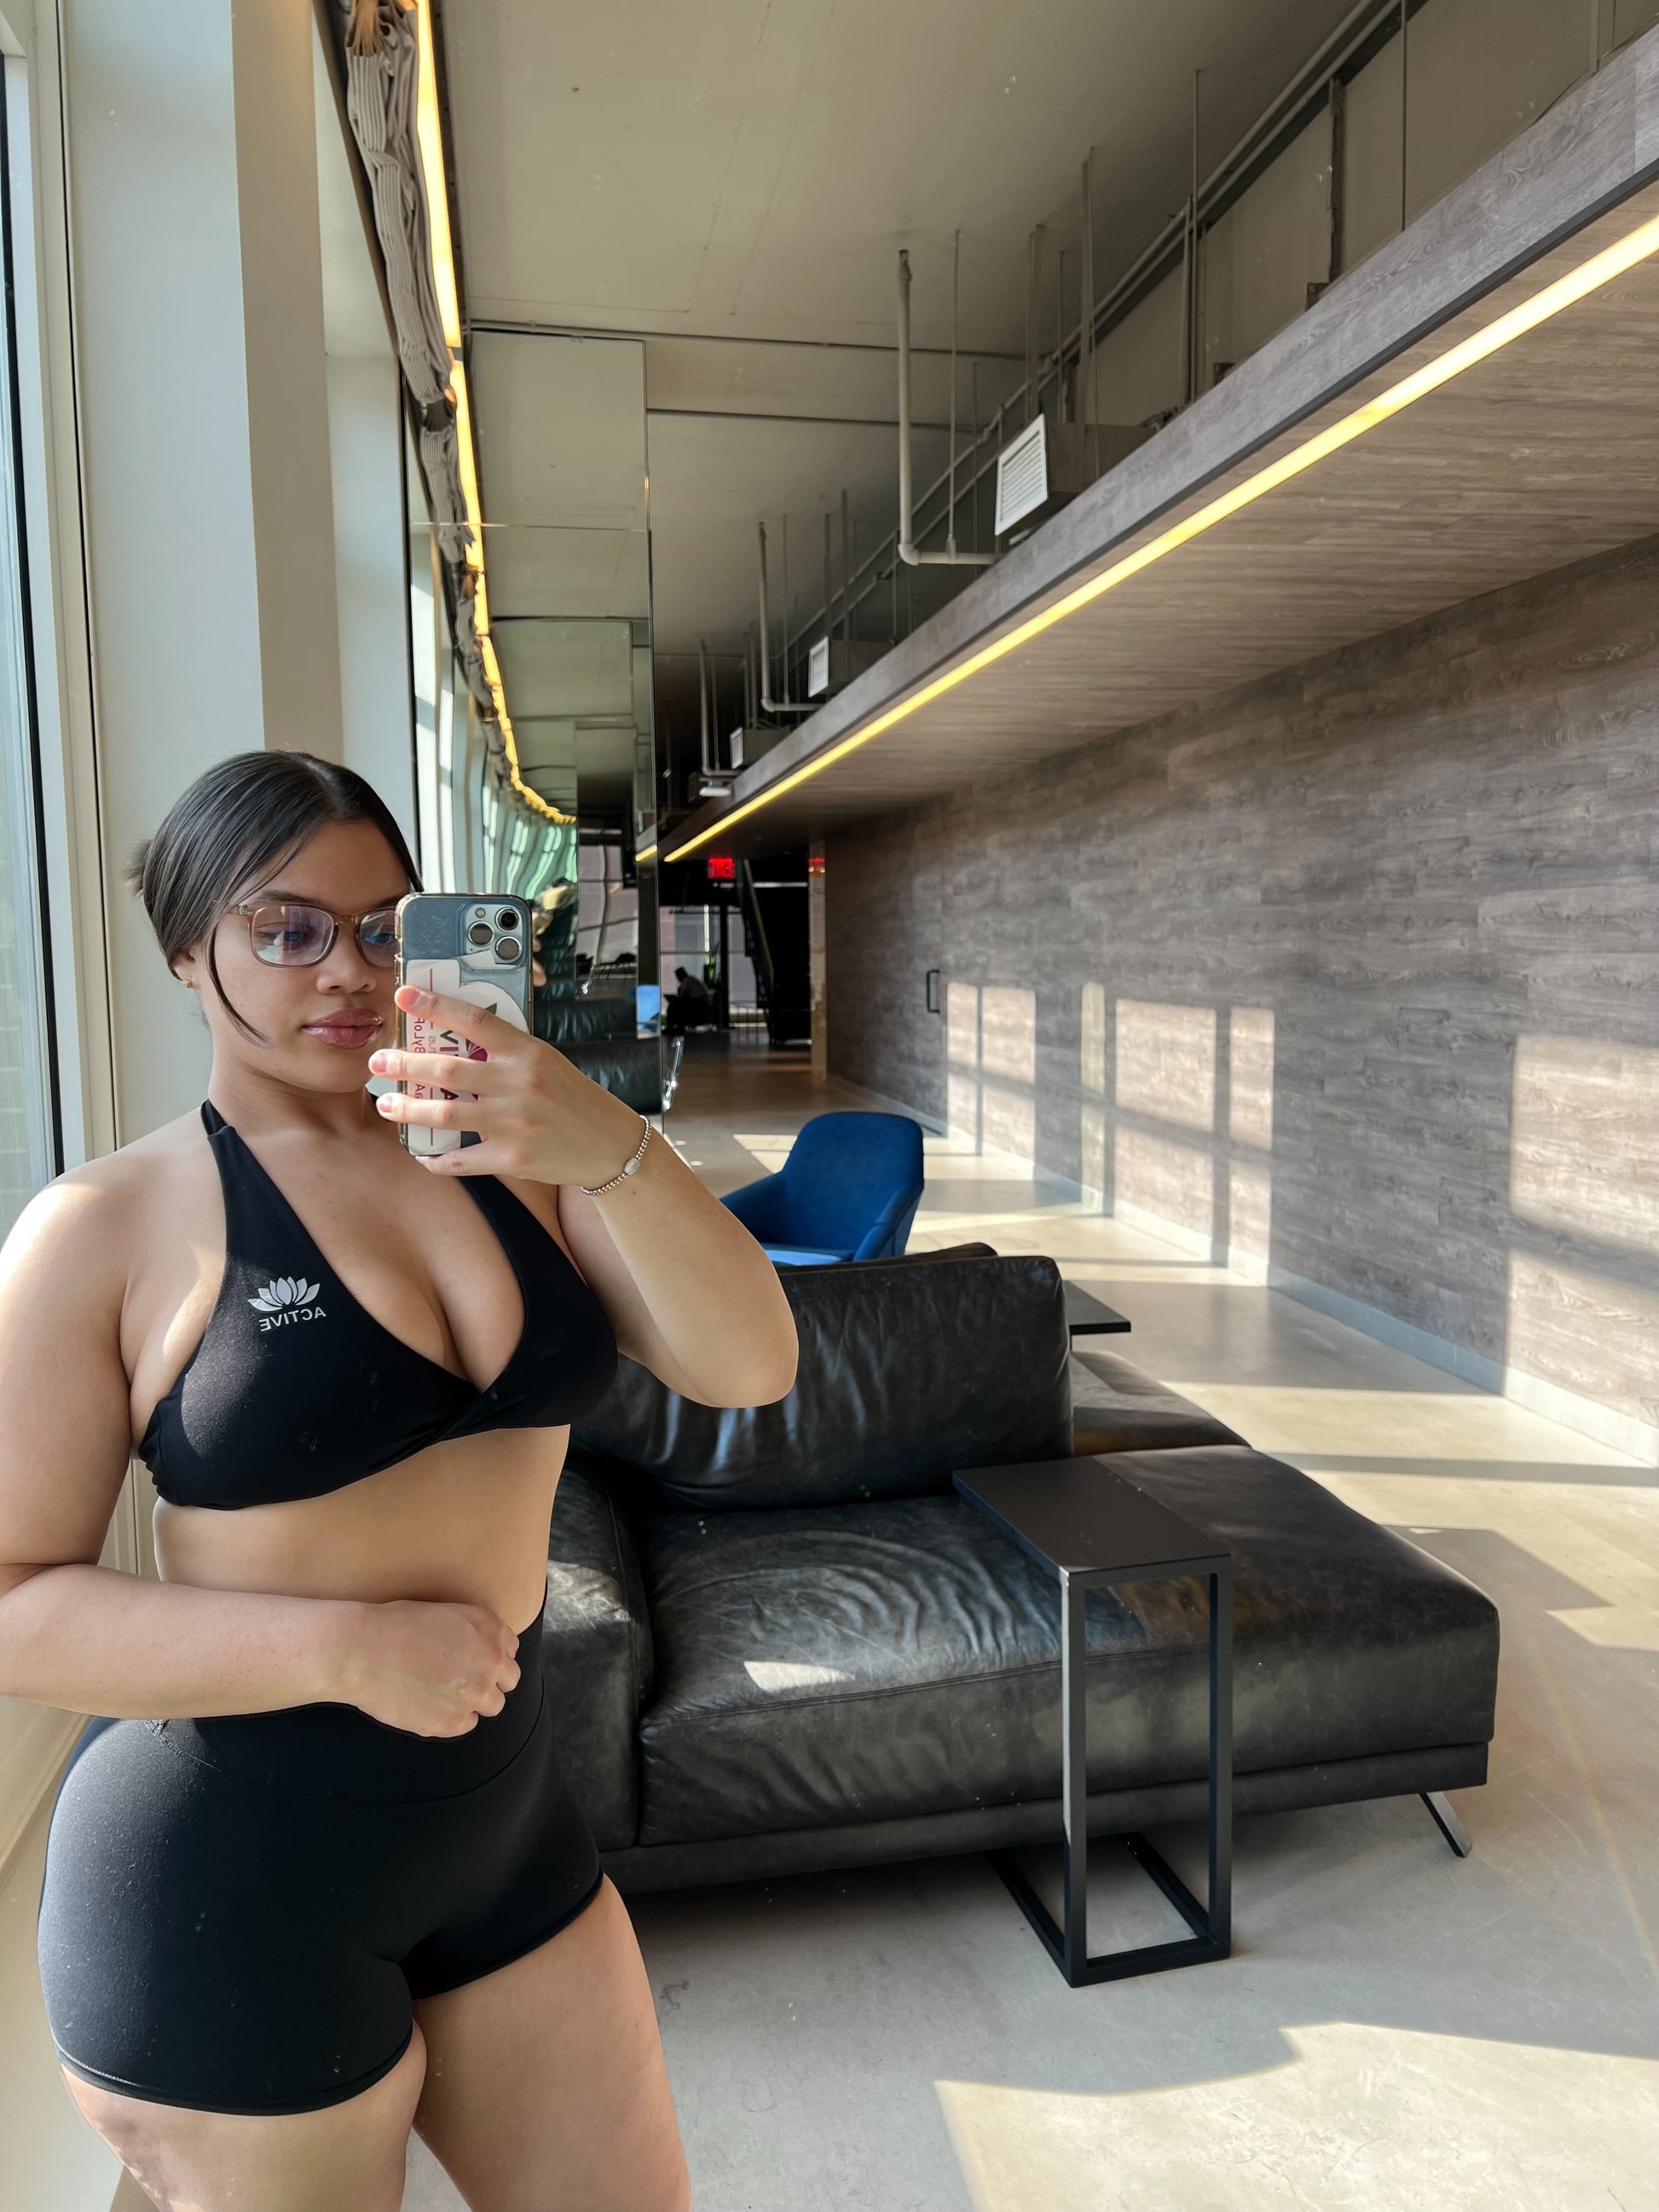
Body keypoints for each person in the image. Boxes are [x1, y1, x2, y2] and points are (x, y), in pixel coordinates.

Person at [0, 752, 797, 2212]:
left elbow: (748, 1365)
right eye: (286, 927)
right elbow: (9, 1602)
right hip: (226, 1876)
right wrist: (345, 1648)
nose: (348, 969)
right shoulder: (104, 1225)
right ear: (185, 951)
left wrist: (611, 1142)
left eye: (383, 926)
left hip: (500, 1827)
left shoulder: (520, 1158)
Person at [664, 965, 714, 1037]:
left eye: (678, 976)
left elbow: (684, 995)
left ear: (681, 975)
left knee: (673, 1006)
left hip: (699, 1003)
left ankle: (673, 1027)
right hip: (700, 1002)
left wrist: (675, 999)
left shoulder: (687, 980)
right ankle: (678, 1027)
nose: (677, 978)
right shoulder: (690, 979)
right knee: (677, 1005)